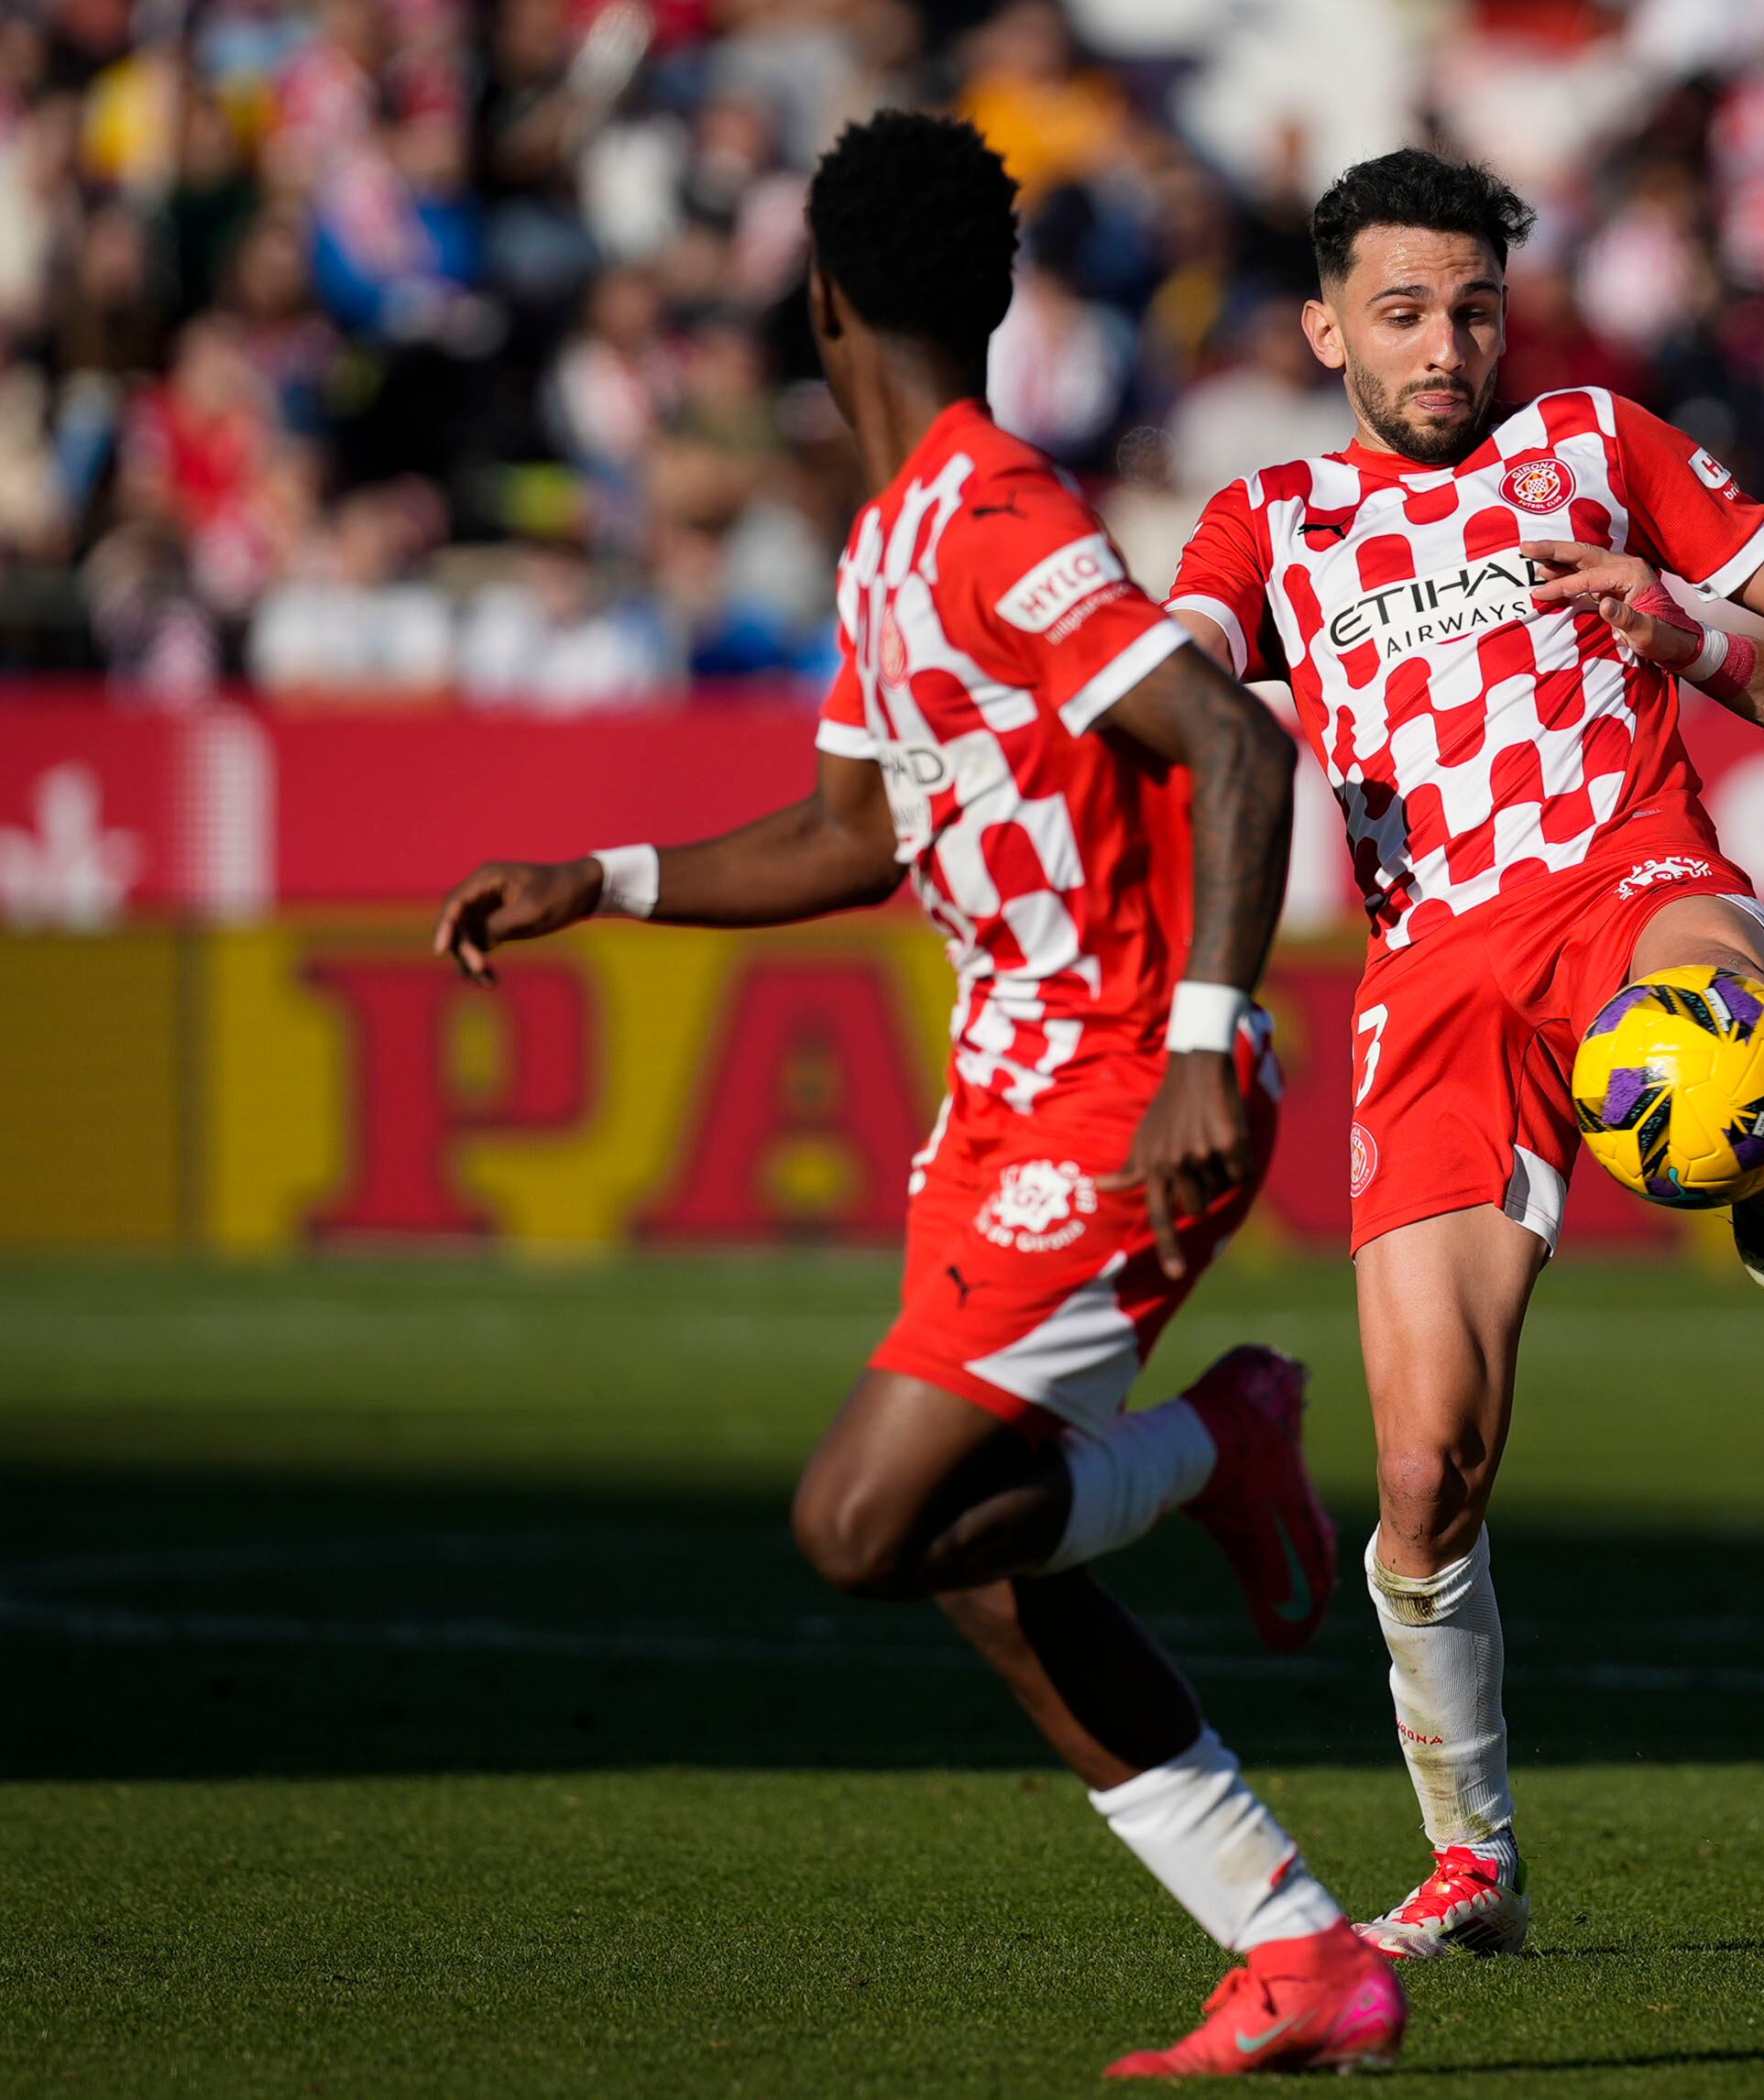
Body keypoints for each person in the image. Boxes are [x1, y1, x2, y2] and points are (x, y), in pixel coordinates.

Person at [428, 112, 1406, 2074]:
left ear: (817, 303)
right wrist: (601, 883)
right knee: (967, 1561)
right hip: (1002, 1113)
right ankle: (1300, 1955)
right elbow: (852, 835)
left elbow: (1228, 745)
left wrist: (1208, 1040)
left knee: (865, 1525)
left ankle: (1220, 1440)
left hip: (1131, 1095)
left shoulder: (990, 522)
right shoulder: (891, 547)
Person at [1160, 148, 1764, 1961]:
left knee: (1710, 1007)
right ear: (1322, 329)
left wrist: (1688, 632)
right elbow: (1179, 671)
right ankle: (1474, 1866)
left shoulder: (1596, 440)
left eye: (1470, 308)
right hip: (1430, 979)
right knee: (1428, 1473)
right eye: (1401, 313)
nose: (1445, 344)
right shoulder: (1269, 518)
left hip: (1623, 876)